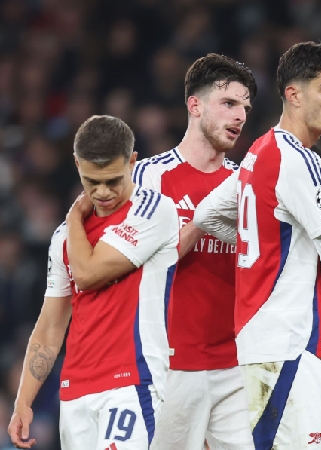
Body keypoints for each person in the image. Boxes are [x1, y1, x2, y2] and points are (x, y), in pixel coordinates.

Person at [194, 41, 321, 449]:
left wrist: (267, 241)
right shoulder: (299, 159)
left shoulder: (258, 152)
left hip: (274, 343)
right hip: (287, 343)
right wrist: (284, 243)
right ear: (294, 95)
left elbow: (207, 215)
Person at [8, 115, 179, 449]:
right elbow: (50, 328)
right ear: (76, 165)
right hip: (74, 392)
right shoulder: (63, 238)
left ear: (132, 161)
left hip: (131, 383)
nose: (102, 192)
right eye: (91, 181)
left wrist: (74, 215)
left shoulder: (153, 211)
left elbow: (87, 273)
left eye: (113, 180)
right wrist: (23, 400)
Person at [133, 53, 257, 450]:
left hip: (236, 365)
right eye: (229, 103)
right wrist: (202, 220)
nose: (239, 116)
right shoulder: (148, 177)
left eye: (245, 107)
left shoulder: (247, 185)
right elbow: (130, 261)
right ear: (195, 105)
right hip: (169, 365)